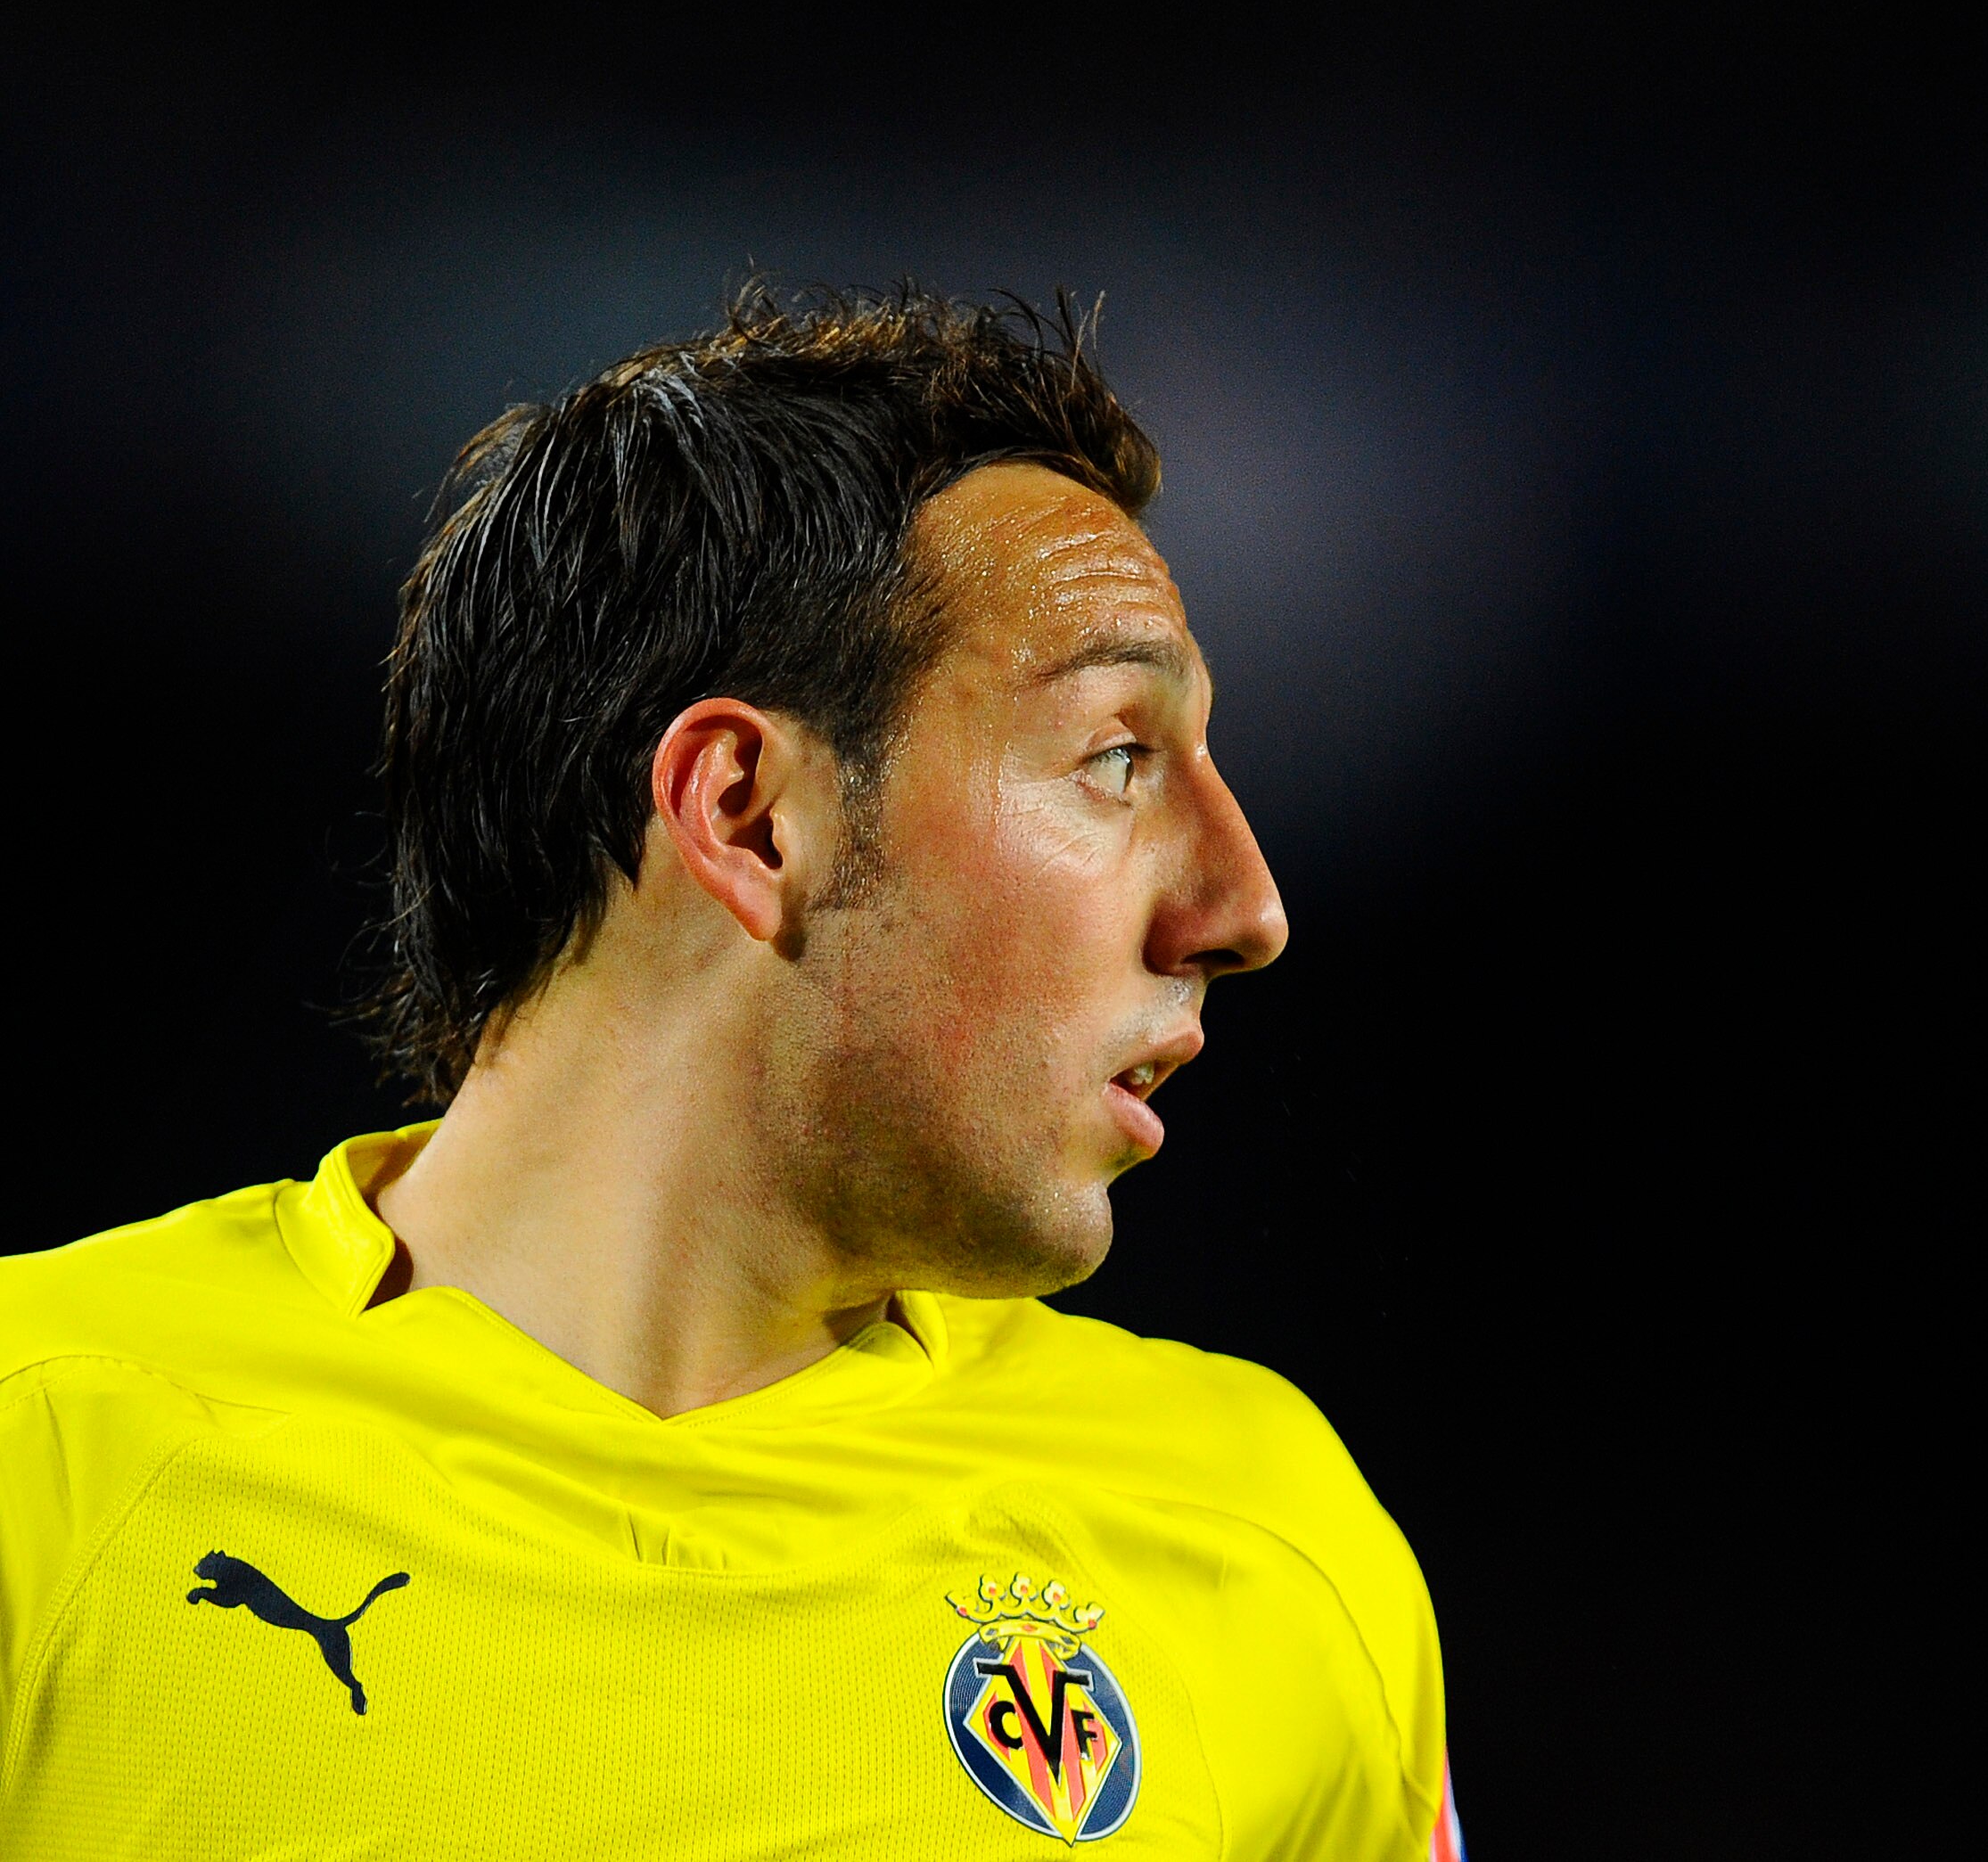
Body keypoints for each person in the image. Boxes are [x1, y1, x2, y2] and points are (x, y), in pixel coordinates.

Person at [0, 287, 1461, 1861]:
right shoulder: (48, 1456)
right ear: (750, 812)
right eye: (1116, 756)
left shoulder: (1266, 1544)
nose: (1246, 908)